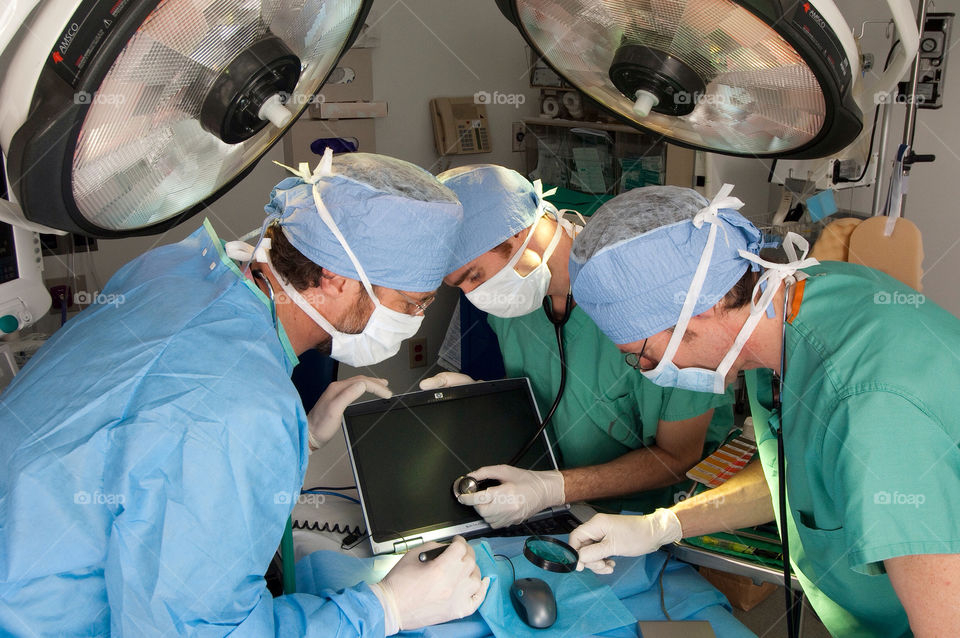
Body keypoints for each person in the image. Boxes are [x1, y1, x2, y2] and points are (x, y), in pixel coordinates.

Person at [0, 150, 489, 636]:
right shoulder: (239, 409)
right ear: (335, 278)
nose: (415, 321)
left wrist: (302, 438)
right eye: (410, 303)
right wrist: (386, 608)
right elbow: (201, 631)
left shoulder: (178, 270)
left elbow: (141, 443)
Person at [564, 184, 960, 636]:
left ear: (706, 307)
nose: (649, 370)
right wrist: (663, 525)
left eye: (643, 353)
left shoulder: (872, 409)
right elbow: (795, 474)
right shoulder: (777, 314)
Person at [420, 165, 734, 528]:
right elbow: (551, 408)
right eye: (461, 285)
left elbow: (679, 458)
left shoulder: (649, 294)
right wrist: (486, 401)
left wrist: (552, 488)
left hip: (671, 519)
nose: (475, 295)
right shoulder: (512, 304)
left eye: (474, 276)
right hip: (571, 511)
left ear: (522, 232)